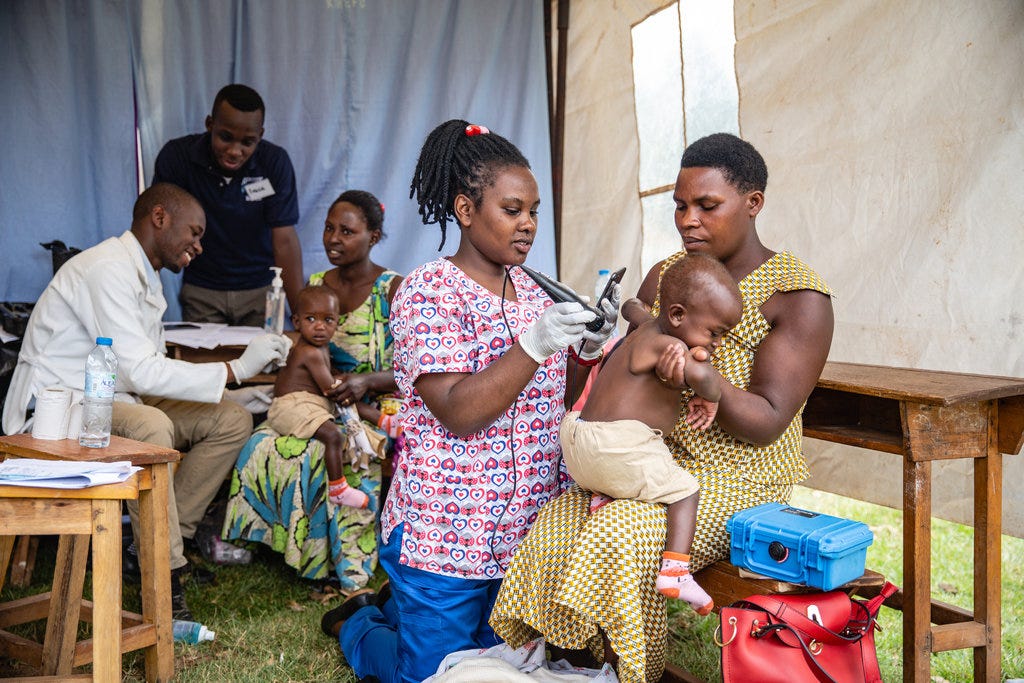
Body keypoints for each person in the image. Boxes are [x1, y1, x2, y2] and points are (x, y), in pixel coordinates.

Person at [490, 133, 834, 683]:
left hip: (737, 477)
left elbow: (769, 421)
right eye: (679, 205)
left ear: (754, 203)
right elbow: (623, 370)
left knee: (620, 532)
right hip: (648, 455)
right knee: (557, 519)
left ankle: (635, 670)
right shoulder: (670, 276)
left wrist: (702, 380)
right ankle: (560, 661)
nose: (688, 221)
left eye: (707, 206)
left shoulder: (797, 298)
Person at [320, 119, 619, 683]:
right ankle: (358, 625)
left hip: (525, 533)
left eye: (533, 210)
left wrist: (589, 351)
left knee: (498, 670)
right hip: (444, 531)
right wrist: (536, 341)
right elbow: (458, 411)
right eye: (512, 210)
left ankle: (395, 614)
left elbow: (563, 398)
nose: (528, 224)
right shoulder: (427, 290)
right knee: (434, 678)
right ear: (464, 209)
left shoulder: (537, 290)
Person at [1, 183, 292, 620]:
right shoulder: (106, 267)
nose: (199, 245)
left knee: (230, 420)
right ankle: (166, 575)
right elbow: (138, 370)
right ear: (160, 218)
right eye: (193, 233)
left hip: (113, 398)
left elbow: (142, 371)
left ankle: (152, 544)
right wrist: (236, 369)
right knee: (152, 427)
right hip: (57, 410)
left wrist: (233, 392)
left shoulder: (144, 275)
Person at [222, 189, 404, 591]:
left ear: (373, 237)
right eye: (328, 229)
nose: (333, 239)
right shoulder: (318, 285)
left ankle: (349, 568)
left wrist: (366, 383)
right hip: (325, 396)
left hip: (375, 396)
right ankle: (298, 551)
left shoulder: (393, 289)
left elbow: (417, 369)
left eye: (347, 231)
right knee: (261, 444)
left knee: (354, 450)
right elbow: (307, 347)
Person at [564, 254, 743, 617]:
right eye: (714, 333)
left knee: (642, 461)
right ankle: (676, 571)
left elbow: (632, 307)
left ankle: (611, 494)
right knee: (685, 490)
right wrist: (705, 380)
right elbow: (707, 381)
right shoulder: (669, 346)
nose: (718, 344)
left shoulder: (648, 325)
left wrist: (638, 307)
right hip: (616, 446)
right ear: (677, 316)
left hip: (578, 442)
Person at [153, 83, 303, 325]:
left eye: (247, 142)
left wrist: (300, 314)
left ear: (261, 136)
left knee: (265, 362)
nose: (235, 151)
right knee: (203, 361)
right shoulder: (178, 157)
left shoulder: (275, 163)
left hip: (261, 292)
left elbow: (284, 241)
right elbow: (157, 230)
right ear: (209, 124)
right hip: (202, 291)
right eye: (225, 137)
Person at [267, 285, 369, 508]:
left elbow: (330, 377)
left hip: (304, 403)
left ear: (337, 323)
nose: (320, 327)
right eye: (311, 319)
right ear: (296, 322)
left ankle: (383, 421)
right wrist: (346, 383)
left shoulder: (322, 348)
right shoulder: (309, 351)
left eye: (328, 320)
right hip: (289, 406)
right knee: (333, 435)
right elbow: (332, 390)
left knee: (343, 412)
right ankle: (338, 489)